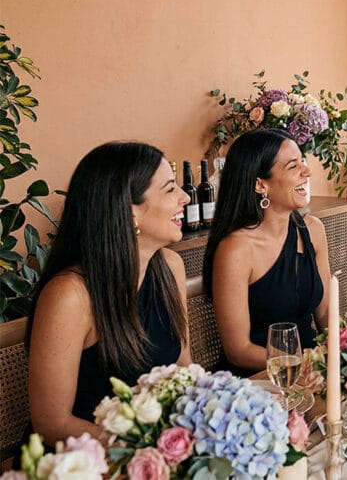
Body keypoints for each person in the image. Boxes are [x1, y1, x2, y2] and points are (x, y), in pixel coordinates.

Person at [26, 142, 191, 443]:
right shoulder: (70, 295)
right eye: (169, 189)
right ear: (130, 213)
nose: (185, 197)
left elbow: (184, 369)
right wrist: (146, 451)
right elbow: (51, 423)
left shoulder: (170, 266)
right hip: (84, 461)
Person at [203, 128, 330, 372]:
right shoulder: (236, 249)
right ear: (261, 184)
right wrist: (303, 364)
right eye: (293, 166)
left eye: (302, 162)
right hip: (259, 381)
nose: (307, 171)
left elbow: (325, 315)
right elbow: (238, 350)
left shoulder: (314, 230)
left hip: (314, 371)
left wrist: (345, 352)